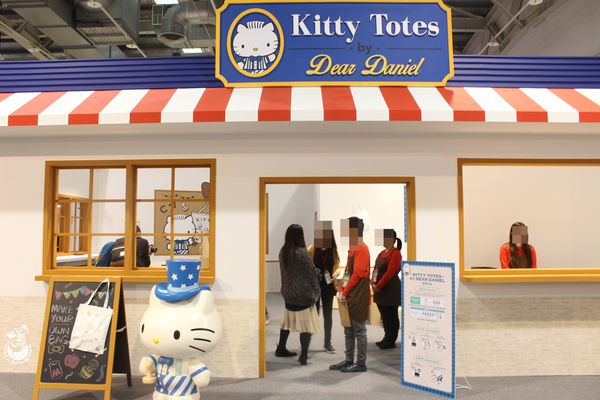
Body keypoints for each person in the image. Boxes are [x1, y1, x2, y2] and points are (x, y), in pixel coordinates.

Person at [330, 216, 370, 373]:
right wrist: (341, 289)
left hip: (358, 295)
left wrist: (344, 291)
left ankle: (361, 363)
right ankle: (348, 360)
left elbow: (357, 274)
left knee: (359, 329)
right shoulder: (353, 248)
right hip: (350, 294)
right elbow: (347, 272)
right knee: (348, 329)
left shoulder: (362, 248)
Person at [276, 224, 321, 366]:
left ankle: (281, 348)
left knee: (286, 322)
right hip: (302, 296)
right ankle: (304, 355)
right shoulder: (302, 253)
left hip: (288, 294)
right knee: (306, 326)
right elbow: (311, 273)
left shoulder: (283, 251)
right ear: (300, 236)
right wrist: (319, 274)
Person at [308, 220, 340, 354]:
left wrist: (336, 272)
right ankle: (306, 343)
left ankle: (328, 343)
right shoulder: (311, 249)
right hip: (314, 287)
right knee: (313, 315)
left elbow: (337, 265)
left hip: (328, 287)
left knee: (328, 315)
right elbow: (306, 266)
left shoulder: (333, 250)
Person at [372, 229, 402, 349]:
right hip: (380, 290)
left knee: (391, 315)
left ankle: (391, 340)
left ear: (392, 240)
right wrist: (372, 282)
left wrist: (378, 285)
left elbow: (390, 272)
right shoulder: (382, 253)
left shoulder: (396, 253)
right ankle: (386, 337)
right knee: (384, 314)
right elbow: (375, 269)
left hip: (390, 289)